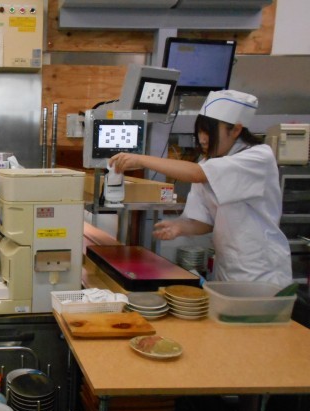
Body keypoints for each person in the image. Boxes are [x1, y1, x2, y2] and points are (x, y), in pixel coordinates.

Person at [109, 89, 292, 287]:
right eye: (200, 131)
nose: (203, 138)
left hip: (262, 270)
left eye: (209, 132)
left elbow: (196, 174)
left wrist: (141, 159)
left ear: (236, 130)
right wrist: (179, 227)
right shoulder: (208, 164)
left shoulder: (258, 157)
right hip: (228, 268)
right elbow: (205, 222)